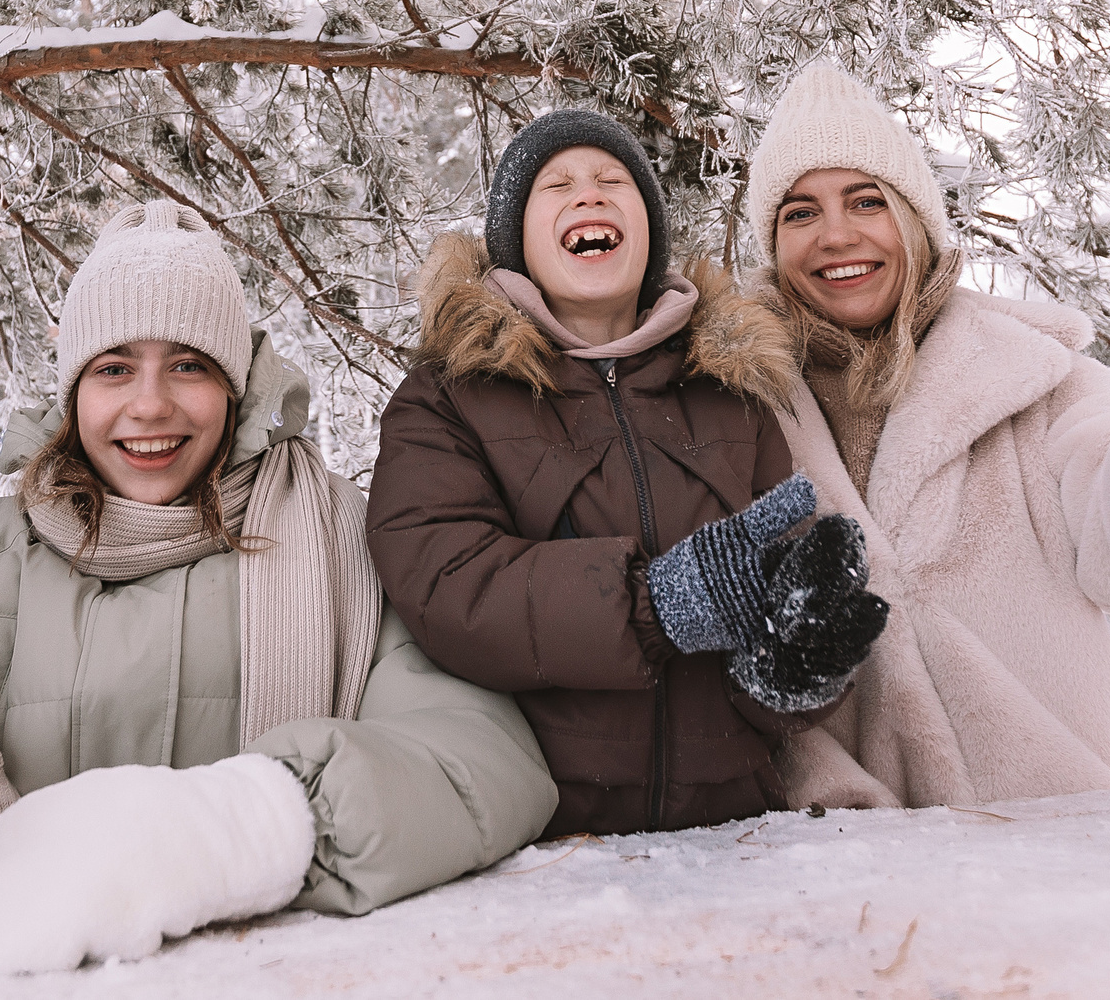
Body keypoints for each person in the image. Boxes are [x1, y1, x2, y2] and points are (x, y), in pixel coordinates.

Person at [0, 201, 556, 974]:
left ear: (238, 386)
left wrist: (235, 831)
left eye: (191, 365)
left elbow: (479, 760)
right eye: (114, 366)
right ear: (72, 387)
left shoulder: (347, 541)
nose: (151, 405)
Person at [739, 62, 1110, 808]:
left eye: (867, 200)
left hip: (1066, 850)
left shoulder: (1039, 385)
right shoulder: (727, 411)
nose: (836, 234)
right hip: (843, 882)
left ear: (916, 219)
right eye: (799, 213)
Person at [369, 110, 892, 838]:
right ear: (515, 237)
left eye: (615, 182)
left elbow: (778, 582)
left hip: (734, 837)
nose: (591, 195)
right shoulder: (450, 393)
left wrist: (792, 673)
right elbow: (446, 582)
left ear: (647, 234)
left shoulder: (730, 390)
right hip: (541, 837)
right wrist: (654, 603)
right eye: (558, 185)